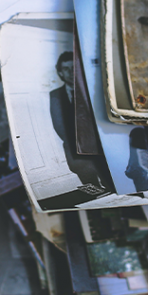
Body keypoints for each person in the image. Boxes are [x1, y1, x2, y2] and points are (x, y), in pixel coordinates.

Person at [49, 51, 107, 193]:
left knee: (110, 181)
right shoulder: (56, 96)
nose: (70, 72)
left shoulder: (90, 88)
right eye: (66, 69)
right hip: (75, 148)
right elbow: (59, 125)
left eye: (72, 68)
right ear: (61, 73)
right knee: (92, 188)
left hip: (100, 145)